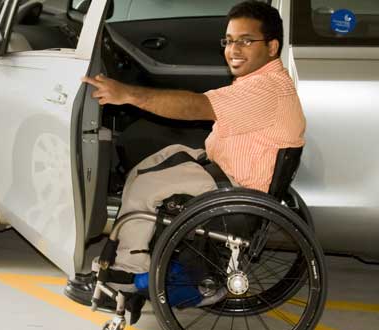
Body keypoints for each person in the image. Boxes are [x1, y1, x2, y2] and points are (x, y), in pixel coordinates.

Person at [64, 1, 306, 311]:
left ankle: (127, 274)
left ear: (272, 47)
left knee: (145, 185)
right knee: (150, 164)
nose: (234, 49)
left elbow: (195, 106)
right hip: (227, 172)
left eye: (246, 40)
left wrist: (128, 94)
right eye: (229, 40)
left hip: (233, 190)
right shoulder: (268, 82)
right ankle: (131, 254)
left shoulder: (264, 90)